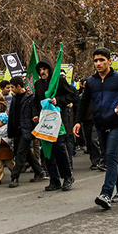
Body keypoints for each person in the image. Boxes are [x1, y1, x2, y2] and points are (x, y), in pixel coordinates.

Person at [73, 48, 118, 210]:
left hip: (116, 124)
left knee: (110, 157)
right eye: (95, 60)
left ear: (109, 61)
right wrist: (78, 121)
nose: (98, 63)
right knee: (112, 159)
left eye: (102, 60)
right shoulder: (91, 81)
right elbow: (84, 103)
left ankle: (106, 193)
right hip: (100, 124)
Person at [33, 58, 76, 192]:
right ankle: (54, 180)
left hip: (58, 122)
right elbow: (35, 101)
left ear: (50, 70)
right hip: (45, 123)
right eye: (40, 70)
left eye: (44, 69)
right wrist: (35, 114)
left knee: (59, 149)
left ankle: (67, 177)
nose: (42, 71)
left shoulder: (59, 81)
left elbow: (72, 95)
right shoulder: (38, 84)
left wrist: (58, 100)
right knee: (47, 152)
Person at [7, 76, 44, 187]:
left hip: (27, 130)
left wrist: (36, 131)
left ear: (19, 86)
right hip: (17, 130)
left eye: (12, 87)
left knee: (20, 154)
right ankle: (39, 171)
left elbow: (34, 115)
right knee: (26, 152)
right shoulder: (14, 98)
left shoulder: (30, 98)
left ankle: (15, 177)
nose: (11, 90)